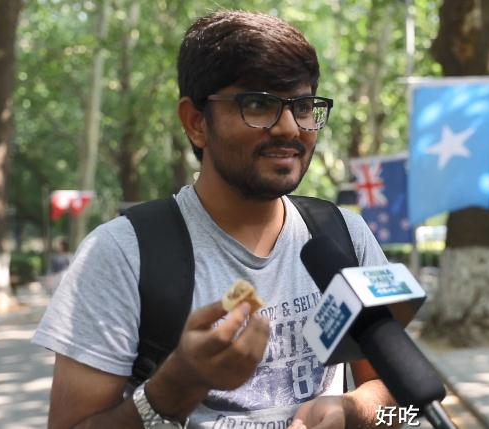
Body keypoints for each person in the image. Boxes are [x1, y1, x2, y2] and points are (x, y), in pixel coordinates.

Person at [32, 11, 399, 429]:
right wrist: (174, 387)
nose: (289, 127)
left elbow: (399, 401)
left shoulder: (346, 237)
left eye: (302, 106)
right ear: (195, 122)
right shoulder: (120, 254)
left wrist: (352, 411)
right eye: (258, 104)